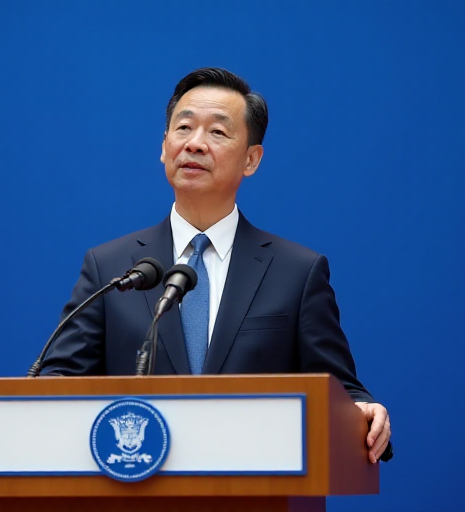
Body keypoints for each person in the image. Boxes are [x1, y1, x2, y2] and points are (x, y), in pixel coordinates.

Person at [40, 68, 392, 463]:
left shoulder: (297, 272)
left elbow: (340, 390)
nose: (194, 144)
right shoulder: (110, 267)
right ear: (163, 146)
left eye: (218, 133)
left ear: (251, 159)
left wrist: (362, 409)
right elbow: (57, 384)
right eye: (183, 128)